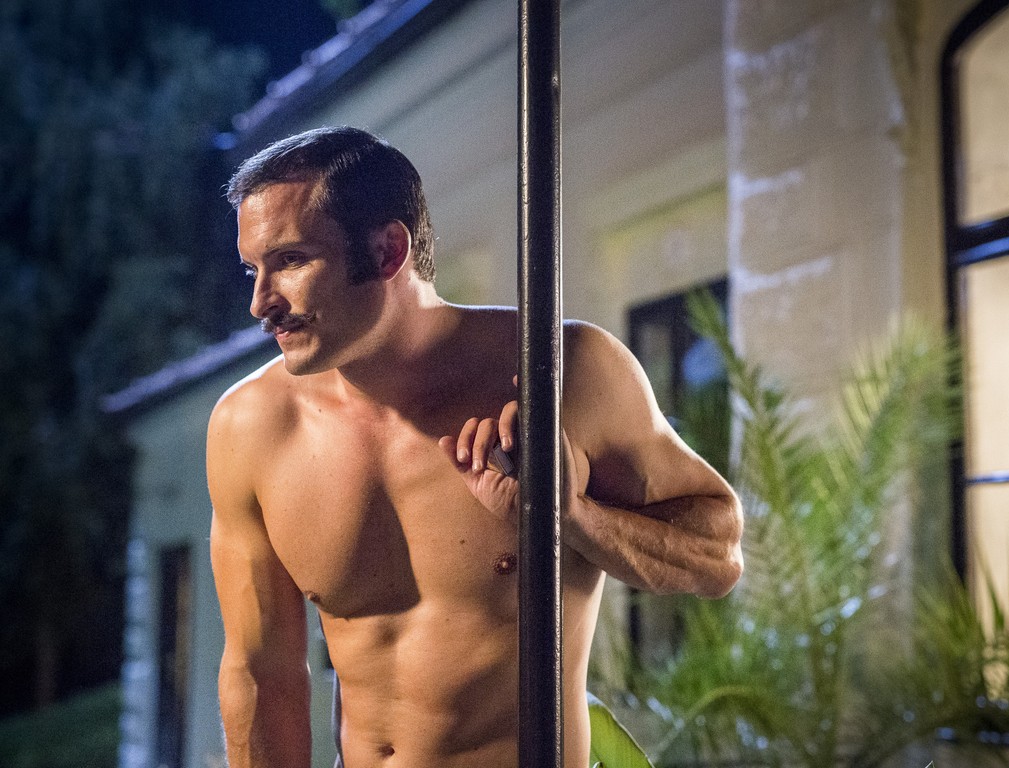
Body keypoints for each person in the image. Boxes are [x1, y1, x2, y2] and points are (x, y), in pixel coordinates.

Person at [207, 126, 743, 768]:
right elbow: (261, 673)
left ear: (387, 250)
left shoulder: (564, 373)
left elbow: (717, 556)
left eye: (291, 260)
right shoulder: (250, 427)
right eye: (253, 269)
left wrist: (570, 518)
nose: (260, 303)